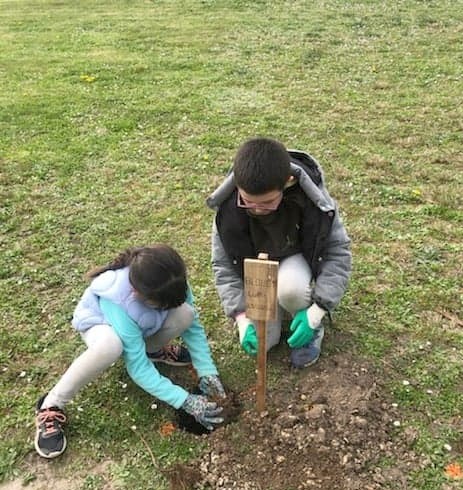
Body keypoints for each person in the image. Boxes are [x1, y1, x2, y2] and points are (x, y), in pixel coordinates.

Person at [34, 244, 225, 459]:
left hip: (140, 325)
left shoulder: (170, 280)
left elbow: (192, 326)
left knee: (186, 313)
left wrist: (207, 371)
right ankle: (51, 405)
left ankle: (152, 350)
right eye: (161, 306)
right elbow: (139, 369)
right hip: (101, 326)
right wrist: (184, 400)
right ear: (137, 293)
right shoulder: (118, 301)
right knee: (111, 346)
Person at [207, 137, 352, 369]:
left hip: (294, 259)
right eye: (248, 201)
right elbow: (223, 265)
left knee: (291, 290)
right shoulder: (228, 210)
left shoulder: (314, 202)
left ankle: (307, 323)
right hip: (255, 272)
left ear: (287, 182)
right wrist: (241, 317)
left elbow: (337, 253)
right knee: (265, 343)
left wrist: (317, 312)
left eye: (267, 202)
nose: (257, 209)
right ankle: (273, 311)